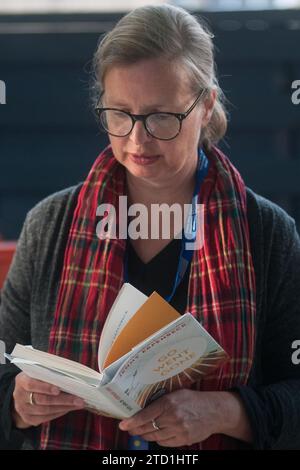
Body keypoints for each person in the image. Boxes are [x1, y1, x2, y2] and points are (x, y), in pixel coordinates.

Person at [1, 3, 300, 451]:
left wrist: (227, 412)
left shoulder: (267, 233)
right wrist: (16, 402)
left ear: (206, 106)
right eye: (120, 114)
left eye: (162, 116)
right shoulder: (51, 225)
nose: (137, 140)